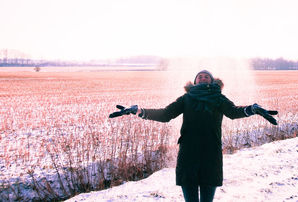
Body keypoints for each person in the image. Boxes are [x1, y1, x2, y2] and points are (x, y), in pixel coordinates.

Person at [109, 70, 278, 202]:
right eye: (200, 76)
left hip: (210, 154)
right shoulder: (187, 98)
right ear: (195, 81)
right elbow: (166, 114)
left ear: (212, 81)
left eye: (206, 76)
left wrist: (252, 109)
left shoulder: (218, 98)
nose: (203, 78)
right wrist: (139, 111)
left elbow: (234, 112)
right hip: (188, 153)